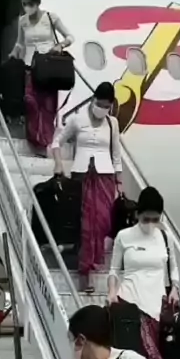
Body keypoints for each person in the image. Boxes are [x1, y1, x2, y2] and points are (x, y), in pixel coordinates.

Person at [107, 186, 180, 359]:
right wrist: (111, 292)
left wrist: (175, 288)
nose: (150, 224)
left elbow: (173, 268)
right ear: (138, 214)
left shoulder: (165, 237)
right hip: (130, 301)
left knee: (152, 357)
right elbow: (114, 270)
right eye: (146, 219)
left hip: (156, 304)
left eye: (155, 219)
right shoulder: (124, 236)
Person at [51, 82, 122, 292]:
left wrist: (120, 182)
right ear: (93, 100)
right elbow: (56, 142)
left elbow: (116, 155)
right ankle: (86, 274)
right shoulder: (77, 119)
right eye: (100, 104)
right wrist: (58, 163)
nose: (103, 109)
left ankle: (93, 262)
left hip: (105, 177)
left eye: (107, 106)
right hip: (81, 176)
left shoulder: (112, 123)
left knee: (103, 223)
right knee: (86, 226)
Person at [9, 0, 74, 152]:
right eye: (24, 4)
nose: (27, 7)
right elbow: (20, 43)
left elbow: (70, 37)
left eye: (30, 3)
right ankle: (34, 140)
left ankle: (45, 143)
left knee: (47, 106)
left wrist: (60, 46)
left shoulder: (51, 18)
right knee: (31, 103)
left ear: (37, 2)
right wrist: (14, 53)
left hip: (49, 68)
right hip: (30, 67)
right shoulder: (23, 21)